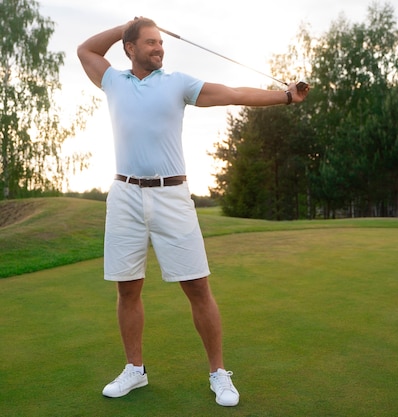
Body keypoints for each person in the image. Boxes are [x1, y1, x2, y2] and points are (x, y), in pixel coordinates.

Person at [76, 17, 309, 407]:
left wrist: (284, 97)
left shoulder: (178, 83)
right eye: (150, 42)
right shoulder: (113, 81)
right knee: (127, 288)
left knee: (197, 286)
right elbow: (85, 50)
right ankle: (135, 369)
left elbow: (233, 93)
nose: (159, 48)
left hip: (172, 195)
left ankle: (219, 373)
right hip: (125, 195)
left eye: (161, 43)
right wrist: (125, 27)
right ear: (130, 48)